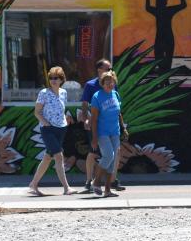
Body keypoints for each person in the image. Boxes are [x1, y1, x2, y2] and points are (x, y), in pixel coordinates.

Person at [80, 59, 125, 192]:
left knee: (112, 155)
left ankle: (109, 185)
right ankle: (91, 181)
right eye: (108, 68)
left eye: (111, 68)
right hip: (97, 127)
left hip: (114, 130)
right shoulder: (91, 86)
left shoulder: (114, 90)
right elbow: (84, 104)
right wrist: (85, 119)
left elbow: (118, 110)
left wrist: (124, 127)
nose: (110, 70)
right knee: (95, 153)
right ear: (99, 70)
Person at [28, 66, 72, 196]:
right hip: (48, 129)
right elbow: (37, 112)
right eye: (51, 78)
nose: (53, 80)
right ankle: (66, 187)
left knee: (48, 157)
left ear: (61, 79)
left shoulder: (64, 93)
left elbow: (61, 110)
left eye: (56, 78)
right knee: (59, 156)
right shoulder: (44, 93)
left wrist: (65, 120)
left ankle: (33, 184)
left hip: (61, 128)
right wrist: (46, 123)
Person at [89, 70, 128, 198]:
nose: (109, 84)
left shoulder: (115, 94)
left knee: (112, 160)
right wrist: (94, 138)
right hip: (102, 132)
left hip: (115, 132)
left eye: (111, 81)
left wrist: (123, 128)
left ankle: (107, 190)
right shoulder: (97, 96)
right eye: (106, 82)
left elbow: (119, 113)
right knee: (108, 155)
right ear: (102, 83)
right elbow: (94, 119)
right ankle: (95, 182)